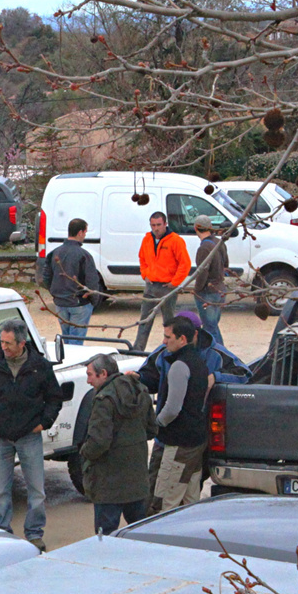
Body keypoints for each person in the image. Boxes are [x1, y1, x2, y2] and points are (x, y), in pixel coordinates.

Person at [0, 319, 64, 545]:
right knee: (1, 490)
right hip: (0, 437)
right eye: (2, 342)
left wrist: (45, 423)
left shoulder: (40, 366)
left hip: (29, 436)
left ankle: (34, 534)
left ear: (22, 343)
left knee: (36, 490)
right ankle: (2, 532)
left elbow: (54, 398)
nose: (3, 347)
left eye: (8, 343)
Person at [79, 353, 158, 535]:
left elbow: (98, 442)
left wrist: (84, 453)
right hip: (137, 478)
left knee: (104, 537)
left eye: (90, 375)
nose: (88, 381)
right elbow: (152, 429)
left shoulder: (103, 400)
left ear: (103, 374)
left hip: (108, 483)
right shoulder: (140, 391)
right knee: (141, 532)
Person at [150, 316, 214, 512]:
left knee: (165, 504)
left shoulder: (179, 366)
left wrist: (155, 423)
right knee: (190, 502)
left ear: (182, 339)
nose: (164, 341)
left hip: (179, 444)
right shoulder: (199, 362)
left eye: (168, 337)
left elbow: (172, 408)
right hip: (196, 441)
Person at [131, 210, 190, 355]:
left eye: (158, 225)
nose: (155, 228)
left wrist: (174, 282)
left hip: (167, 287)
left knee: (170, 323)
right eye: (153, 225)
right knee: (144, 321)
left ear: (165, 224)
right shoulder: (147, 239)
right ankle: (138, 350)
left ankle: (172, 350)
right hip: (151, 286)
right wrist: (145, 274)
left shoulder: (175, 240)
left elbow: (185, 264)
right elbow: (142, 258)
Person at [42, 217, 103, 346]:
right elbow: (92, 282)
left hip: (60, 302)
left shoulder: (54, 253)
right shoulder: (84, 255)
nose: (85, 236)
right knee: (76, 343)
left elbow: (46, 278)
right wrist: (94, 301)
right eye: (85, 233)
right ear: (80, 232)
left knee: (67, 339)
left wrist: (55, 293)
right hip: (79, 303)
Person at [189, 215, 227, 350]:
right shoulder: (219, 242)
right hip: (220, 289)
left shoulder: (204, 248)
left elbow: (202, 272)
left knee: (210, 329)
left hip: (208, 292)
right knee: (213, 326)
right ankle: (219, 354)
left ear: (196, 228)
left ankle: (220, 355)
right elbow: (226, 264)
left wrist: (197, 289)